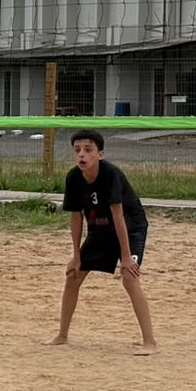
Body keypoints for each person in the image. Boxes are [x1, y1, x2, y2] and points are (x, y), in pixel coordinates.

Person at [48, 128, 157, 355]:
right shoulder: (73, 178)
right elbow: (76, 217)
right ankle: (62, 335)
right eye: (77, 150)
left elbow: (118, 216)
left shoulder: (111, 175)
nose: (82, 155)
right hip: (100, 230)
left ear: (101, 154)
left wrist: (126, 257)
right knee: (73, 276)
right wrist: (76, 256)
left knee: (129, 277)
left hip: (130, 228)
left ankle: (150, 342)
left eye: (88, 150)